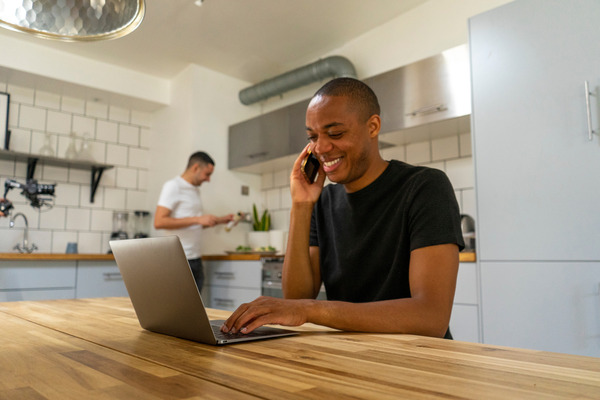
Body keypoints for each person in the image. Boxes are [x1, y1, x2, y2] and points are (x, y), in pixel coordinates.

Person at [222, 77, 464, 338]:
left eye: (335, 133)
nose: (321, 148)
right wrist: (301, 206)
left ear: (372, 126)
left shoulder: (425, 187)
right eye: (312, 137)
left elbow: (430, 317)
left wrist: (310, 310)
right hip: (350, 353)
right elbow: (297, 298)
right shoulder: (322, 202)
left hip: (418, 360)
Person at [155, 151, 233, 291]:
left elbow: (193, 224)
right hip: (178, 260)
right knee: (178, 308)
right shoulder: (173, 186)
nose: (208, 179)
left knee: (194, 309)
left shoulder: (194, 190)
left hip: (195, 258)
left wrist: (221, 220)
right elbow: (159, 221)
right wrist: (198, 219)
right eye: (207, 174)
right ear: (195, 168)